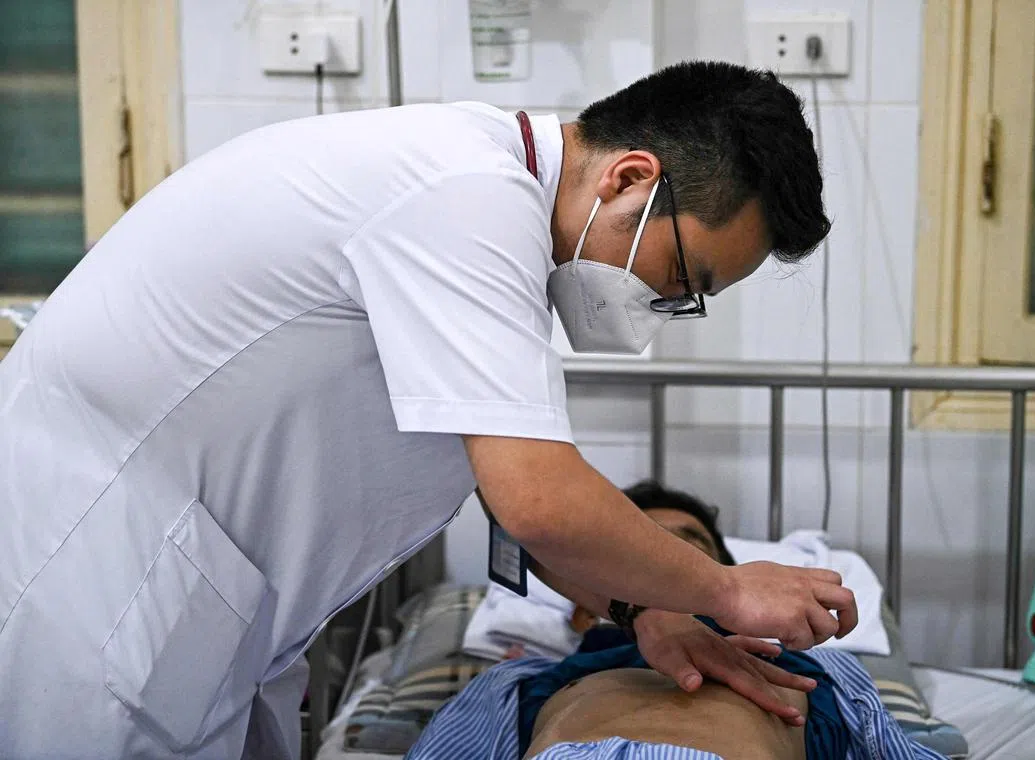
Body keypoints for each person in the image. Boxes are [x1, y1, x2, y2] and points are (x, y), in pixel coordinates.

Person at [0, 61, 853, 759]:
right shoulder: (465, 197)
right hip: (101, 593)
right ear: (630, 178)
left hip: (190, 608)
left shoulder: (485, 219)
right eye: (685, 278)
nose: (666, 305)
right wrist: (727, 590)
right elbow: (539, 503)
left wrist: (646, 609)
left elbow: (517, 508)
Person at [410, 481, 942, 760]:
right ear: (584, 606)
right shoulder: (516, 683)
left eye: (691, 553)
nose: (670, 569)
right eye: (648, 557)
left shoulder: (816, 672)